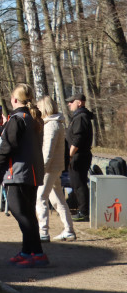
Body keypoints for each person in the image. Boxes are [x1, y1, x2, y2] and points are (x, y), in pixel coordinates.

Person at [0, 84, 47, 268]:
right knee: (28, 213)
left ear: (14, 100)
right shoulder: (32, 118)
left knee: (21, 213)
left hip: (18, 173)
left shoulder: (17, 119)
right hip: (30, 172)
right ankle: (28, 250)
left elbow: (7, 147)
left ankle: (36, 253)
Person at [36, 96, 76, 242]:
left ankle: (43, 231)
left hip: (49, 168)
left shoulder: (51, 125)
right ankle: (69, 229)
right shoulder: (57, 123)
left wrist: (42, 168)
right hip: (55, 167)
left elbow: (48, 151)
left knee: (41, 198)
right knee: (58, 199)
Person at [66, 93, 94, 222]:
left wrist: (70, 155)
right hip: (78, 155)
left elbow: (78, 139)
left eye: (71, 102)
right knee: (76, 183)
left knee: (79, 184)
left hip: (79, 156)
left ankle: (84, 212)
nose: (69, 104)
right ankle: (81, 209)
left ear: (79, 102)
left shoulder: (81, 117)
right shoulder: (78, 116)